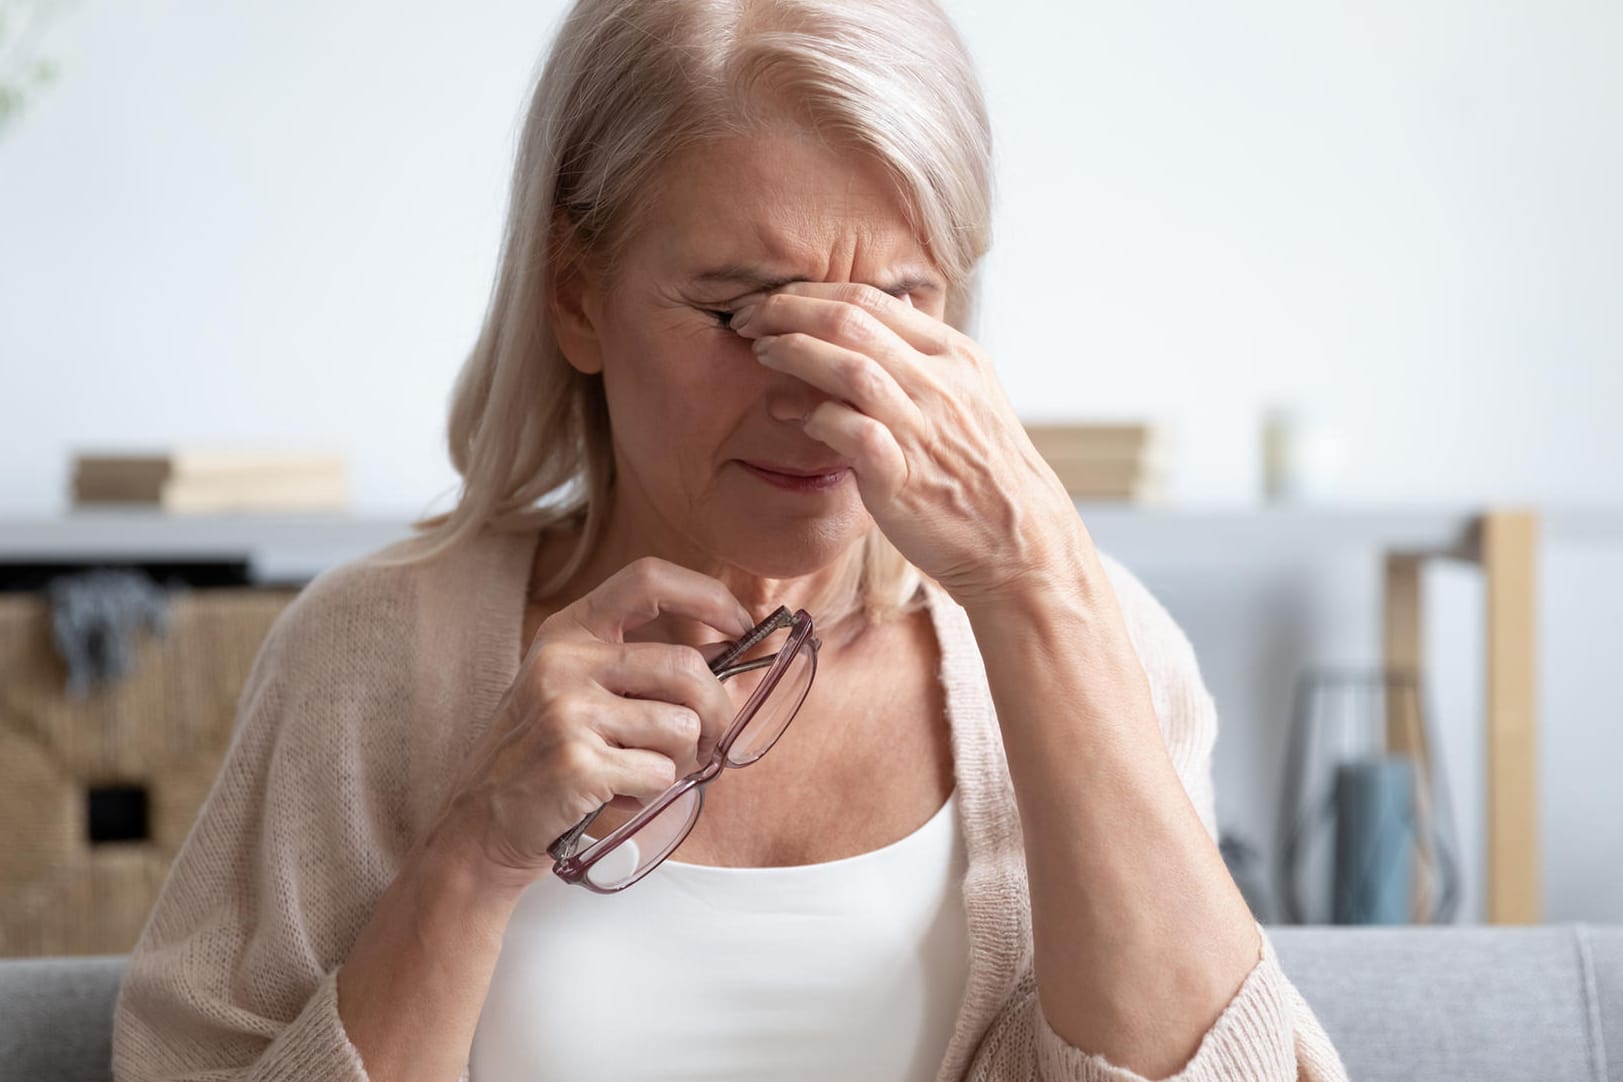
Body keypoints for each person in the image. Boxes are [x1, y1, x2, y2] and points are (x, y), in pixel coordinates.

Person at [112, 1, 1348, 1079]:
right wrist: (473, 851)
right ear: (576, 295)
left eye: (898, 309)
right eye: (743, 312)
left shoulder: (1095, 640)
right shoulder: (368, 655)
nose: (826, 397)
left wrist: (1039, 588)